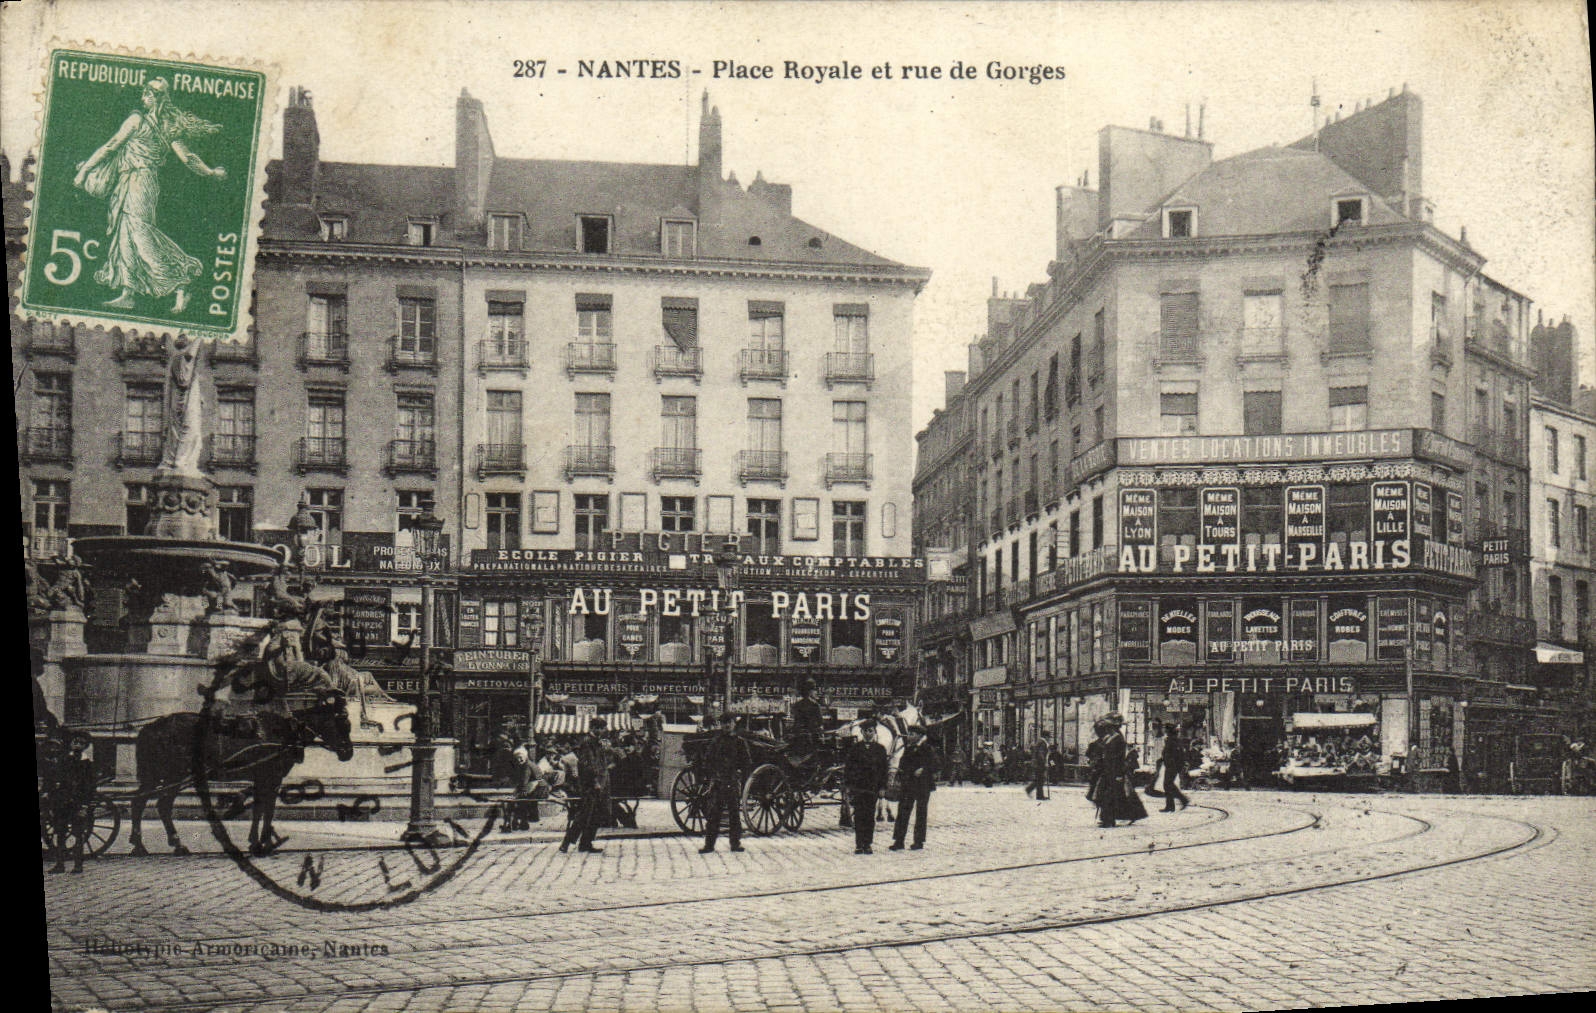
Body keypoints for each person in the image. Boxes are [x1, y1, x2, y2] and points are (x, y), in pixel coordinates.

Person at [72, 77, 227, 312]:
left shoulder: (137, 120)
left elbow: (111, 146)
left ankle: (182, 283)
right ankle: (128, 292)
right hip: (134, 181)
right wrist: (211, 172)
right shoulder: (168, 128)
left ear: (154, 97)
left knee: (140, 234)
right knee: (125, 235)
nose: (142, 97)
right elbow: (188, 158)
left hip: (139, 182)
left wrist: (84, 171)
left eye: (146, 93)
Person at [560, 718, 613, 854]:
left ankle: (586, 843)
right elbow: (588, 764)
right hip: (591, 785)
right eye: (600, 728)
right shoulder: (587, 743)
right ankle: (567, 842)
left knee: (595, 815)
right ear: (593, 728)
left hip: (600, 784)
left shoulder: (596, 742)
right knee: (585, 815)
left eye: (603, 728)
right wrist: (595, 781)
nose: (602, 730)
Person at [699, 712, 748, 853]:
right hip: (719, 782)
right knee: (714, 814)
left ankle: (735, 843)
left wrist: (740, 775)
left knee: (734, 814)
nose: (727, 725)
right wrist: (713, 775)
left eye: (729, 722)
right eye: (724, 723)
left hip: (732, 781)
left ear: (734, 724)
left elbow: (746, 762)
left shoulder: (739, 742)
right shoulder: (716, 742)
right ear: (721, 725)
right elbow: (708, 760)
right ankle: (709, 845)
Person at [842, 709, 889, 854]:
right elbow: (849, 768)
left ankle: (868, 843)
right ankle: (859, 844)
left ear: (874, 732)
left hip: (872, 788)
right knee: (859, 816)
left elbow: (884, 770)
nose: (868, 733)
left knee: (869, 816)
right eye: (866, 731)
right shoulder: (855, 749)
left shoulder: (880, 750)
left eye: (871, 731)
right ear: (862, 733)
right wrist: (848, 786)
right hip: (858, 788)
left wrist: (882, 787)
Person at [890, 725, 940, 850]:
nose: (909, 736)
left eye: (912, 734)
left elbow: (936, 765)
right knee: (903, 812)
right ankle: (899, 841)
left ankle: (918, 841)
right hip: (908, 785)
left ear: (919, 736)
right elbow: (902, 764)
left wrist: (923, 770)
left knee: (921, 813)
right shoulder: (908, 749)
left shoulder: (928, 749)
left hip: (923, 785)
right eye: (909, 734)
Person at [1156, 724, 1191, 811]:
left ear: (1168, 731)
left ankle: (1180, 801)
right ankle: (1173, 805)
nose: (1164, 730)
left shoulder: (1172, 740)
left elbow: (1174, 754)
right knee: (1168, 785)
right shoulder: (1172, 739)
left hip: (1172, 766)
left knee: (1168, 784)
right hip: (1171, 765)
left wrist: (1170, 763)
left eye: (1165, 729)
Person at [789, 678, 824, 757]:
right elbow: (820, 722)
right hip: (811, 736)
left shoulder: (797, 705)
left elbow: (795, 721)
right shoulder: (815, 705)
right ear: (810, 691)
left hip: (799, 736)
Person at [1025, 732, 1052, 800]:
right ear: (1046, 737)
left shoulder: (1039, 742)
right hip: (1039, 764)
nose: (1049, 739)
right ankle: (1037, 794)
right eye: (1048, 737)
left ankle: (1035, 792)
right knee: (1040, 779)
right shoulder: (1042, 743)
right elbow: (1041, 754)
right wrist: (1044, 763)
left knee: (1039, 779)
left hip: (1036, 764)